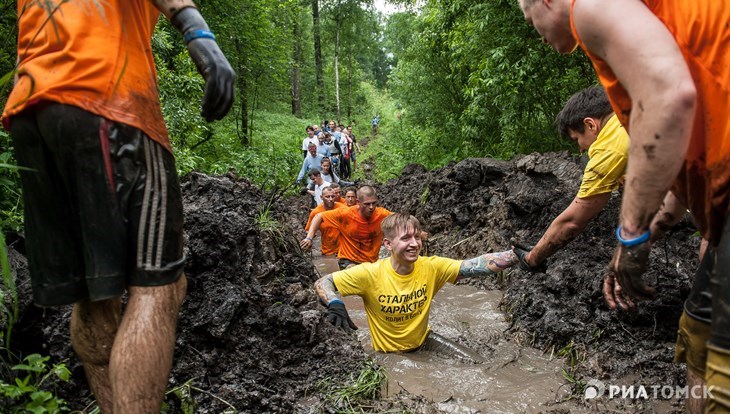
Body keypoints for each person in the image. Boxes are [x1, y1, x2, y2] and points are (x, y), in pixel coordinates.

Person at [1, 1, 234, 412]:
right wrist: (195, 29)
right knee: (159, 286)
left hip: (32, 105)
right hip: (110, 95)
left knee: (95, 293)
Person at [518, 0, 730, 411]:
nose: (536, 34)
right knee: (697, 340)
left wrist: (630, 238)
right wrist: (642, 237)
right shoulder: (656, 44)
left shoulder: (590, 7)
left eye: (531, 20)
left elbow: (670, 97)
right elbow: (686, 165)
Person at [314, 213, 519, 354]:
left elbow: (475, 265)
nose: (414, 244)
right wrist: (334, 301)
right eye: (405, 238)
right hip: (389, 354)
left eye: (416, 237)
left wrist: (518, 255)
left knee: (478, 363)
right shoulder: (369, 273)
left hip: (424, 342)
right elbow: (324, 281)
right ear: (388, 244)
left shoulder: (432, 267)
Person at [514, 86, 628, 271]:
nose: (581, 149)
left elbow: (572, 222)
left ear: (591, 125)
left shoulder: (609, 149)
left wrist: (532, 257)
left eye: (576, 139)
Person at [300, 185, 392, 269]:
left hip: (371, 262)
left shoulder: (382, 214)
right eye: (367, 204)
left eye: (374, 203)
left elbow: (400, 220)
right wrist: (309, 238)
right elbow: (318, 216)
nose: (371, 207)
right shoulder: (346, 213)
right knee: (354, 273)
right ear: (358, 202)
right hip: (348, 260)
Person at [304, 187, 346, 256]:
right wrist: (309, 240)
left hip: (343, 250)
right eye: (327, 197)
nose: (330, 199)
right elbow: (309, 230)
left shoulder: (342, 208)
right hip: (328, 250)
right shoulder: (316, 212)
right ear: (321, 197)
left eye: (332, 196)